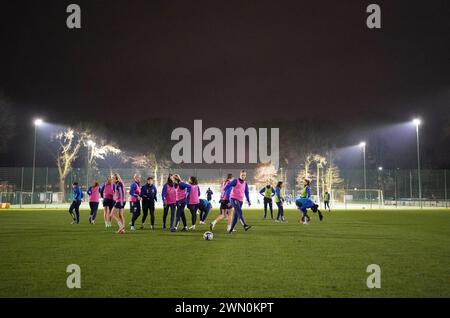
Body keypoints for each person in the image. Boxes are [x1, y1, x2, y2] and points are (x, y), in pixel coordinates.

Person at [224, 170, 252, 234]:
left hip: (241, 200)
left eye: (244, 175)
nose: (243, 176)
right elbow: (228, 186)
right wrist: (224, 195)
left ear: (245, 176)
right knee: (240, 211)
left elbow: (246, 192)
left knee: (236, 216)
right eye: (242, 175)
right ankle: (244, 225)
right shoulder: (235, 181)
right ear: (240, 175)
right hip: (233, 199)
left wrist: (248, 200)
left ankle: (230, 230)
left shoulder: (245, 183)